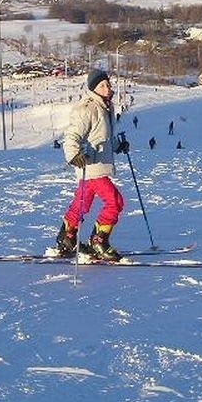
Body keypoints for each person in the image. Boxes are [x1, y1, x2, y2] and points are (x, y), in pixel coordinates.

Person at [58, 69, 129, 261]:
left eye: (108, 85)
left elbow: (102, 137)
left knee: (82, 203)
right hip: (91, 165)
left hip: (96, 164)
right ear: (93, 89)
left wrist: (118, 145)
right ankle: (98, 241)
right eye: (102, 86)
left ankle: (67, 238)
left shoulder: (105, 107)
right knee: (115, 202)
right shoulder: (88, 108)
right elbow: (72, 135)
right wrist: (73, 154)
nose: (108, 89)